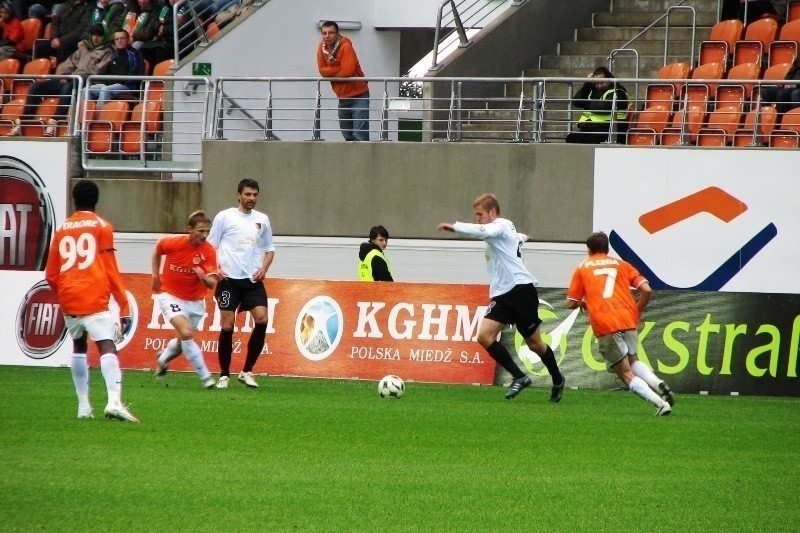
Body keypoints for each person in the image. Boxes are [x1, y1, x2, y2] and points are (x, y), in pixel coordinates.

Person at [437, 193, 565, 401]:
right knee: (484, 337)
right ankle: (520, 377)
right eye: (476, 215)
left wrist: (456, 227)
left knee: (535, 344)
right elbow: (515, 238)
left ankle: (558, 379)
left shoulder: (500, 225)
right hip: (503, 295)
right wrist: (524, 238)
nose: (478, 218)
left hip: (521, 291)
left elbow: (484, 231)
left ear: (493, 212)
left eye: (480, 214)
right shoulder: (502, 234)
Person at [44, 180, 138, 422]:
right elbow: (110, 269)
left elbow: (51, 275)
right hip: (93, 294)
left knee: (78, 345)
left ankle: (83, 407)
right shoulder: (102, 227)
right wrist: (123, 304)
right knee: (107, 345)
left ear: (74, 200)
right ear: (96, 200)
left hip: (68, 296)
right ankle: (114, 402)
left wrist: (64, 293)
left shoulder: (63, 229)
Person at [566, 231, 675, 416]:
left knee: (625, 374)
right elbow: (646, 289)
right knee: (633, 361)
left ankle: (660, 403)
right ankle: (657, 383)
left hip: (605, 322)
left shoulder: (583, 267)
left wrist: (583, 302)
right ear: (607, 249)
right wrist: (636, 310)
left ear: (589, 250)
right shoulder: (622, 264)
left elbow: (570, 302)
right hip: (627, 318)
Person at [208, 178, 275, 389]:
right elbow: (210, 246)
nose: (251, 198)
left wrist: (264, 268)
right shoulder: (225, 217)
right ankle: (225, 374)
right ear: (239, 195)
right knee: (228, 324)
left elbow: (270, 248)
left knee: (262, 320)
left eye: (255, 195)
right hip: (228, 281)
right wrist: (215, 269)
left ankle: (246, 371)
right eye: (248, 194)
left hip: (252, 281)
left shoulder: (262, 220)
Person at [152, 210, 219, 389]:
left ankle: (163, 358)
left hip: (195, 303)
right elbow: (158, 249)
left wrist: (203, 277)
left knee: (183, 341)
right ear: (190, 229)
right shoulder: (173, 243)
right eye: (200, 231)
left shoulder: (209, 251)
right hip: (171, 296)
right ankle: (206, 377)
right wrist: (155, 275)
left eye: (207, 232)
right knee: (187, 333)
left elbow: (212, 284)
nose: (205, 236)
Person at [7, 22, 111, 137]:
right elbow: (68, 64)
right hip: (70, 78)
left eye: (99, 35)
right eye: (94, 34)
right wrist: (64, 75)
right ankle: (25, 120)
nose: (96, 38)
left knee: (68, 87)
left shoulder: (108, 52)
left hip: (86, 82)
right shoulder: (83, 49)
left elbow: (96, 71)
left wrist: (72, 77)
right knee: (36, 86)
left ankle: (55, 121)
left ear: (105, 36)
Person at [317, 20, 370, 141]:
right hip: (342, 97)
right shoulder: (322, 47)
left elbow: (348, 72)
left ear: (337, 34)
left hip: (359, 96)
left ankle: (362, 160)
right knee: (347, 135)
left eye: (330, 32)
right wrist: (338, 67)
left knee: (359, 135)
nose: (327, 35)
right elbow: (322, 71)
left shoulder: (346, 46)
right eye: (324, 33)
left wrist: (330, 70)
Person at [565, 67, 629, 144]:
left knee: (584, 139)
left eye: (602, 82)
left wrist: (587, 103)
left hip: (611, 129)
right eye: (596, 83)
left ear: (609, 79)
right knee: (571, 138)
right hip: (594, 128)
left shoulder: (618, 90)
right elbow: (576, 102)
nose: (599, 86)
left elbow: (604, 107)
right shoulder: (593, 90)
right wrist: (587, 84)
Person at [87, 28, 144, 109]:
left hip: (128, 86)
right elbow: (106, 73)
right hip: (112, 85)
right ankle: (82, 119)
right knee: (86, 90)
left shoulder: (134, 54)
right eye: (117, 39)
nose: (119, 41)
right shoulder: (113, 54)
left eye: (122, 38)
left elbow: (136, 74)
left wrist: (115, 82)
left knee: (105, 90)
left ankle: (98, 120)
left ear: (128, 40)